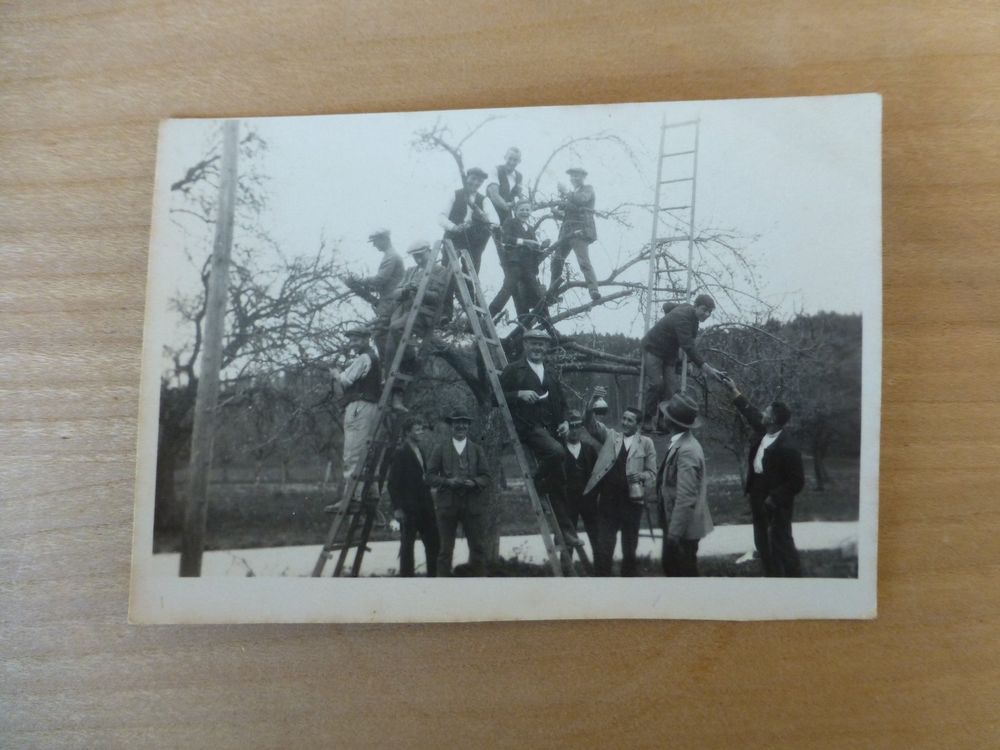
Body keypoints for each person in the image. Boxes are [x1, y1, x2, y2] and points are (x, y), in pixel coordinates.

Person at [499, 329, 579, 546]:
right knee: (557, 452)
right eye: (533, 344)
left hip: (552, 429)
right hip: (528, 427)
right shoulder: (514, 370)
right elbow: (494, 397)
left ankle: (567, 532)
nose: (537, 348)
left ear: (546, 348)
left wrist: (564, 422)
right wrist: (519, 394)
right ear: (525, 345)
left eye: (541, 345)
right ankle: (537, 483)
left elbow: (562, 404)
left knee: (560, 481)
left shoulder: (551, 372)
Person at [722, 376, 805, 577]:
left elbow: (797, 481)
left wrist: (774, 498)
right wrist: (734, 390)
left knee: (781, 540)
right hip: (758, 492)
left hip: (776, 499)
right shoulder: (764, 430)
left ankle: (796, 579)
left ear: (774, 419)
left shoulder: (788, 447)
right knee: (761, 540)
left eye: (767, 412)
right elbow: (749, 411)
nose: (763, 413)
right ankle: (772, 575)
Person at [583, 391, 658, 576]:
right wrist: (592, 402)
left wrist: (640, 476)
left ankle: (628, 588)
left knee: (629, 551)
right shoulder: (611, 436)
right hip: (608, 503)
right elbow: (590, 425)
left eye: (629, 420)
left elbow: (652, 474)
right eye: (623, 419)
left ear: (638, 425)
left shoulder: (646, 443)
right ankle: (603, 587)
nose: (624, 423)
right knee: (604, 549)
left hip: (632, 503)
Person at [382, 240, 451, 411]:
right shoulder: (410, 271)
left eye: (420, 255)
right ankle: (396, 391)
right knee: (389, 343)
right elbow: (394, 293)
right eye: (415, 256)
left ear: (429, 252)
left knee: (395, 329)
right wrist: (406, 290)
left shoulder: (440, 271)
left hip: (423, 314)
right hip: (403, 313)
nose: (418, 259)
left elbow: (438, 296)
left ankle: (410, 361)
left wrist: (418, 290)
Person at [640, 294, 726, 431]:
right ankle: (647, 419)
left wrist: (690, 361)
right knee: (657, 384)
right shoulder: (683, 318)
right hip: (653, 348)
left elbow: (666, 306)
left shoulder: (690, 312)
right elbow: (688, 346)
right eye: (704, 309)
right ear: (696, 306)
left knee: (670, 390)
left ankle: (663, 421)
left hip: (669, 354)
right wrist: (707, 369)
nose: (707, 314)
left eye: (710, 312)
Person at [426, 410, 492, 576]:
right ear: (451, 426)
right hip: (447, 506)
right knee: (445, 550)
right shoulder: (440, 448)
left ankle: (478, 586)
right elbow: (429, 476)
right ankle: (443, 588)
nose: (461, 426)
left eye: (464, 423)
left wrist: (475, 482)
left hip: (472, 506)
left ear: (468, 426)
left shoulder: (476, 449)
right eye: (457, 422)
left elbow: (487, 476)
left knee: (477, 548)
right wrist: (447, 482)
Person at [657, 393, 714, 576]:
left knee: (681, 573)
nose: (662, 416)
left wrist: (674, 533)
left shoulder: (687, 450)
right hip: (679, 524)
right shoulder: (681, 443)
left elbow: (686, 496)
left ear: (671, 421)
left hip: (682, 530)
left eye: (666, 414)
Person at [329, 326, 382, 510]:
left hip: (360, 407)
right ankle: (371, 492)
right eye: (351, 340)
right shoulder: (372, 358)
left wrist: (335, 373)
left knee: (352, 452)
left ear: (366, 339)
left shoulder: (364, 358)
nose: (353, 344)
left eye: (356, 340)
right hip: (370, 407)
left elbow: (345, 381)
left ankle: (352, 497)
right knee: (366, 451)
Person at [387, 416, 440, 577]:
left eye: (422, 428)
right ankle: (407, 580)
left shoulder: (420, 449)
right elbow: (392, 484)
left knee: (434, 543)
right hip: (409, 509)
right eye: (417, 429)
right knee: (407, 547)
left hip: (425, 507)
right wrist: (397, 509)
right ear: (408, 432)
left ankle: (434, 578)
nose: (421, 432)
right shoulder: (401, 452)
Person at [488, 200, 549, 320]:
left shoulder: (530, 229)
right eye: (522, 210)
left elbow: (533, 248)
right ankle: (487, 317)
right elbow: (505, 238)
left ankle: (551, 329)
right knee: (507, 289)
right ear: (515, 211)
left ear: (530, 211)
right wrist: (525, 241)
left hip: (528, 267)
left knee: (538, 295)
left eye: (527, 210)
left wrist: (542, 247)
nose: (525, 212)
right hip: (514, 263)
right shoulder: (510, 222)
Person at [547, 166, 601, 302]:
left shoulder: (587, 189)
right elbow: (566, 214)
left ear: (583, 177)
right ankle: (552, 292)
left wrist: (566, 192)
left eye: (577, 176)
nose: (574, 178)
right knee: (556, 260)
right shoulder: (570, 194)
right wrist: (555, 210)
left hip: (579, 230)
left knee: (583, 260)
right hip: (566, 231)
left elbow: (581, 200)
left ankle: (593, 289)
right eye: (572, 176)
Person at [349, 228, 404, 357]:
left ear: (384, 239)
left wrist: (361, 280)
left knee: (380, 335)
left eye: (375, 241)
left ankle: (388, 367)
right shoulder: (390, 255)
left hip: (390, 303)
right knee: (383, 336)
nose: (374, 245)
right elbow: (383, 284)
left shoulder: (391, 256)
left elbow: (380, 279)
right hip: (389, 301)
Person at [438, 167, 495, 273]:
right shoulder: (455, 194)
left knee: (471, 272)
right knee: (447, 269)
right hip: (453, 238)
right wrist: (454, 227)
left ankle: (468, 289)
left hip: (473, 241)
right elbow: (441, 217)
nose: (476, 182)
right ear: (466, 178)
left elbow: (495, 222)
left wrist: (481, 219)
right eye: (473, 178)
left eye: (479, 181)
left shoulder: (484, 200)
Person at [562, 410, 600, 554]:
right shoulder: (560, 450)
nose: (574, 431)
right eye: (571, 427)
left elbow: (597, 475)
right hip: (568, 503)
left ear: (582, 428)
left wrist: (593, 495)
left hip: (588, 501)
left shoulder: (589, 450)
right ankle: (567, 572)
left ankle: (601, 572)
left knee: (596, 537)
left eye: (577, 427)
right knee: (568, 540)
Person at [486, 147, 524, 224]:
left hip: (507, 214)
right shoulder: (496, 170)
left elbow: (519, 195)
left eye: (515, 160)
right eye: (510, 158)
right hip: (491, 210)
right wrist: (507, 206)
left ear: (519, 161)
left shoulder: (519, 176)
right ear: (505, 157)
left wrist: (524, 206)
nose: (512, 162)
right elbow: (494, 195)